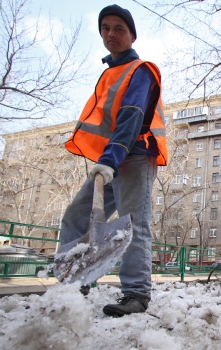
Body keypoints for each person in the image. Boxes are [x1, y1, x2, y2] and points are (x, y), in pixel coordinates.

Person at [60, 4, 167, 317]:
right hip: (110, 161)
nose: (111, 33)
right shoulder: (111, 74)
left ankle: (136, 293)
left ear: (132, 35)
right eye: (105, 28)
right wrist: (107, 160)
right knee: (76, 216)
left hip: (133, 156)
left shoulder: (141, 70)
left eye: (119, 28)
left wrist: (110, 158)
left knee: (132, 225)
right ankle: (71, 285)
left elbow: (131, 117)